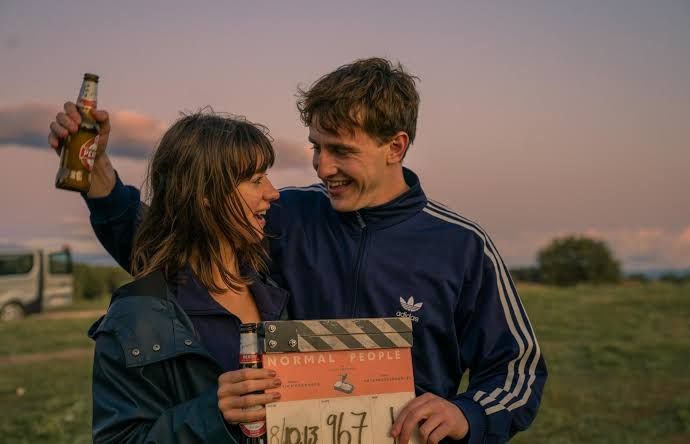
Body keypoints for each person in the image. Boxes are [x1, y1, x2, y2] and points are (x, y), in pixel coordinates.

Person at [50, 58, 547, 443]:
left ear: (395, 146)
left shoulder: (462, 245)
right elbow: (179, 247)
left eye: (341, 151)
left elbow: (516, 368)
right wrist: (102, 185)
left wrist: (467, 413)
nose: (321, 166)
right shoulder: (287, 214)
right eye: (316, 146)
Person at [78, 111, 288, 442]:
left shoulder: (277, 295)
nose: (273, 192)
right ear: (205, 194)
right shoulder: (136, 318)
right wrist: (213, 414)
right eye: (256, 180)